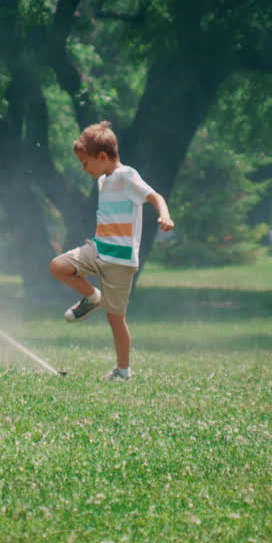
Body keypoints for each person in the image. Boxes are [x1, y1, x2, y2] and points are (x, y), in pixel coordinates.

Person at [48, 121, 174, 380]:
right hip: (97, 249)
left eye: (85, 163)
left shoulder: (127, 176)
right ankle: (92, 297)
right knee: (58, 266)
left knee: (115, 319)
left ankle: (123, 371)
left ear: (102, 156)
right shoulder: (102, 181)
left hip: (120, 260)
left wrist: (165, 216)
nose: (84, 169)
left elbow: (155, 196)